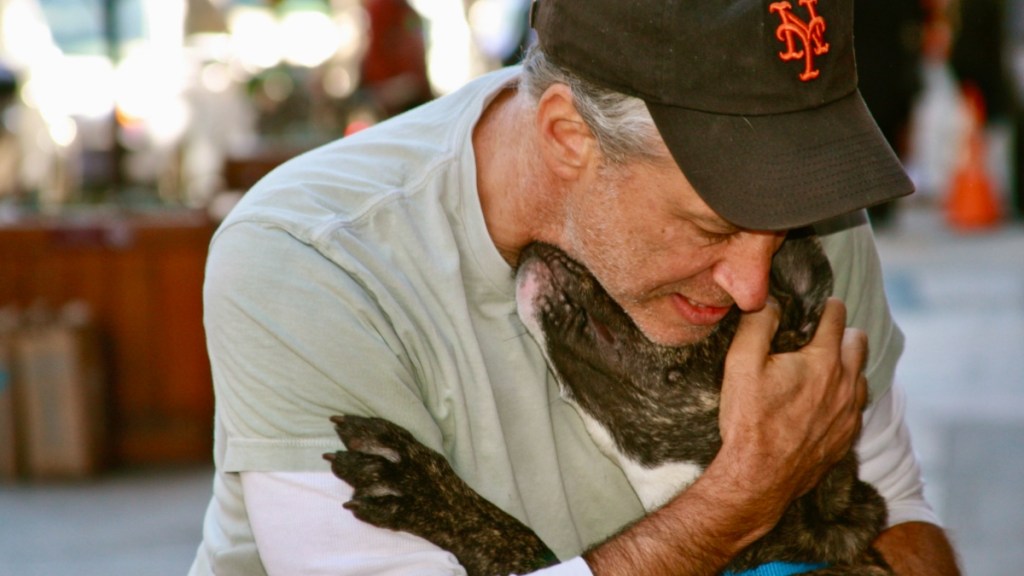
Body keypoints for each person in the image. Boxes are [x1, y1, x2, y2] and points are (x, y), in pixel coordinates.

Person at [188, 0, 961, 574]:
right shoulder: (313, 261)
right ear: (568, 135)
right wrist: (737, 499)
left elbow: (893, 515)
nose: (755, 283)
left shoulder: (807, 218)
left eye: (784, 218)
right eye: (711, 227)